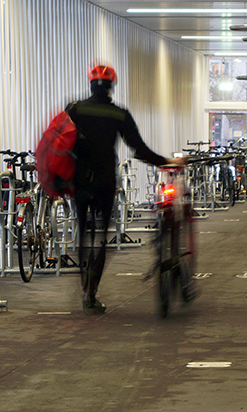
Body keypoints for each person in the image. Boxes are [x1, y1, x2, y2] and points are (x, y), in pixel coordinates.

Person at [69, 63, 185, 314]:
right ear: (111, 87)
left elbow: (58, 140)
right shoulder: (118, 115)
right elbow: (139, 149)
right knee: (101, 237)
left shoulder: (75, 109)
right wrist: (167, 161)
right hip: (104, 182)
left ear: (91, 85)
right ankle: (91, 292)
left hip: (79, 181)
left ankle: (84, 286)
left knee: (83, 234)